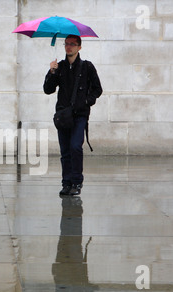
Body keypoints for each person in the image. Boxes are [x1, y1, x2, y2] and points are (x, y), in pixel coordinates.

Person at [44, 35, 102, 196]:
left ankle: (76, 182)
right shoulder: (59, 67)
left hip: (79, 115)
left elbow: (98, 89)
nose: (68, 47)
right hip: (63, 115)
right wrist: (52, 72)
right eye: (66, 44)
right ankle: (66, 182)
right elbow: (48, 89)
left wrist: (86, 102)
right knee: (65, 151)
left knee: (75, 146)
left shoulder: (87, 67)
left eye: (72, 44)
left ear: (79, 47)